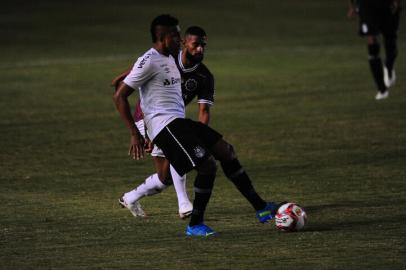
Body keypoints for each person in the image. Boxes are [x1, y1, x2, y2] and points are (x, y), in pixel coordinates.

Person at [113, 14, 282, 236]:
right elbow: (120, 97)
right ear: (162, 37)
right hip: (163, 126)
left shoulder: (173, 56)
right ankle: (194, 224)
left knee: (226, 150)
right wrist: (135, 134)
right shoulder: (150, 60)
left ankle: (261, 208)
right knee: (207, 166)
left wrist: (123, 75)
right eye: (175, 35)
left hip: (179, 122)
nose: (179, 39)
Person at [112, 26, 215, 219]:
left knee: (164, 178)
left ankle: (130, 197)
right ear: (185, 43)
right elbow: (145, 64)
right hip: (148, 117)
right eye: (196, 44)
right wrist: (123, 77)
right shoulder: (169, 57)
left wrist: (200, 135)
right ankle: (184, 205)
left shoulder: (204, 76)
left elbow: (204, 111)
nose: (200, 49)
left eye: (203, 45)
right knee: (176, 153)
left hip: (172, 120)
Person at [348, 0, 401, 100]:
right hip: (366, 5)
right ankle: (382, 89)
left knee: (390, 38)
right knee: (371, 41)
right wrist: (352, 5)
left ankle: (389, 66)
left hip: (386, 4)